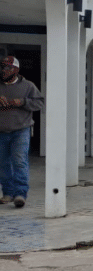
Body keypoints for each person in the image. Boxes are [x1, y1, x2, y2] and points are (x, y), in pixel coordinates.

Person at [0, 56, 44, 208]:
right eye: (2, 67)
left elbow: (39, 103)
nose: (3, 70)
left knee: (19, 162)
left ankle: (20, 194)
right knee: (2, 164)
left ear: (16, 70)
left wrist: (23, 102)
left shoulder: (28, 86)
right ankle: (8, 193)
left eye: (7, 68)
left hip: (21, 131)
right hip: (1, 131)